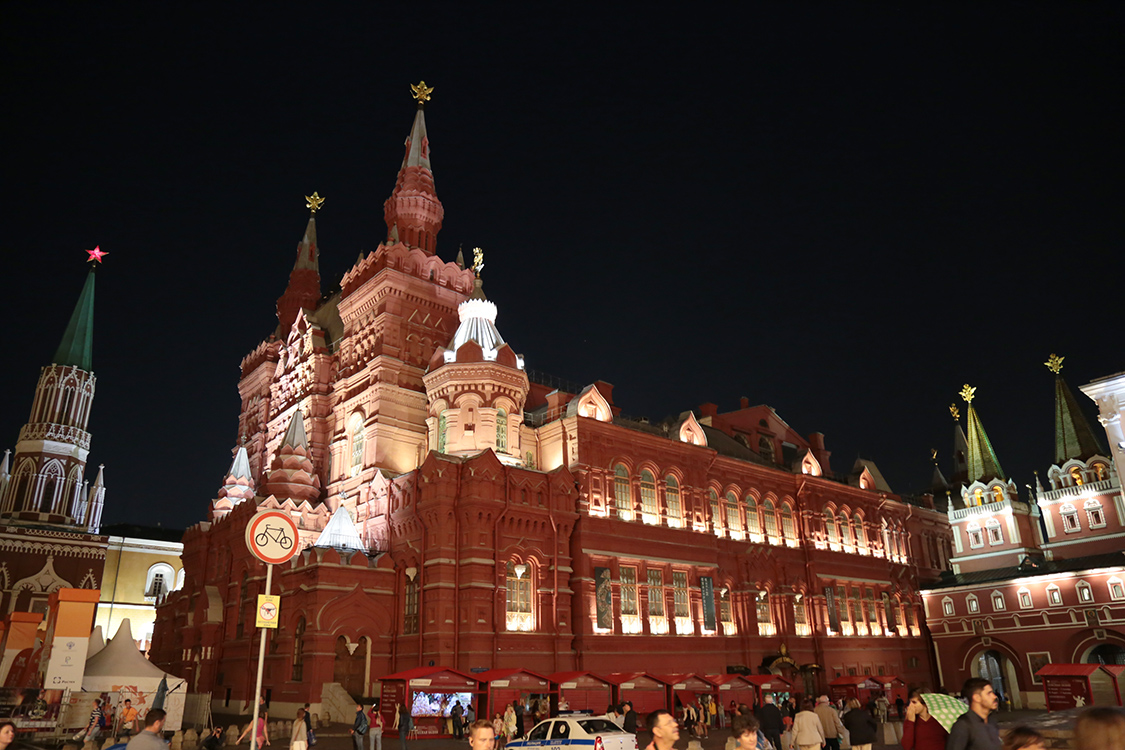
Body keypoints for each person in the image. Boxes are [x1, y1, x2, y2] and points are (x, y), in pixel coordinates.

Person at [947, 678, 1001, 750]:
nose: (994, 696)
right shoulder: (963, 725)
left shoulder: (991, 721)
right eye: (989, 693)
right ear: (977, 698)